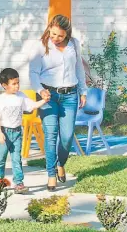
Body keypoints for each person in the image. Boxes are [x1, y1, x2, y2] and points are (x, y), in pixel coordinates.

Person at [29, 14, 88, 191]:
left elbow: (79, 69)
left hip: (70, 95)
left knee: (68, 136)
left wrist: (82, 91)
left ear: (67, 34)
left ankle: (60, 163)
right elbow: (33, 73)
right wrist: (40, 90)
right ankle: (51, 174)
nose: (55, 38)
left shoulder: (74, 44)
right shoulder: (40, 46)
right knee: (51, 134)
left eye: (60, 36)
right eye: (53, 34)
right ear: (49, 29)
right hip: (48, 95)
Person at [0, 68, 47, 194]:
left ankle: (19, 184)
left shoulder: (21, 96)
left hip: (17, 133)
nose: (17, 86)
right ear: (4, 85)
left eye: (18, 83)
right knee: (1, 159)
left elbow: (32, 105)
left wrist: (44, 100)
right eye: (13, 84)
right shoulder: (1, 99)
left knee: (17, 159)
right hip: (4, 132)